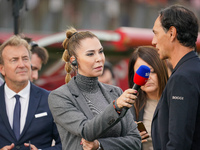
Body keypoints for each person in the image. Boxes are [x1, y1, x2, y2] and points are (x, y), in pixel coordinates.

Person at [48, 27, 142, 150]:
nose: (99, 58)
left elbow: (135, 141)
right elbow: (86, 131)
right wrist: (116, 107)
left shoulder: (116, 92)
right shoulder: (59, 96)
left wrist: (100, 145)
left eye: (101, 51)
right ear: (74, 60)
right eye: (90, 54)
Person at [151, 4, 200, 150]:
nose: (153, 41)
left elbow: (178, 143)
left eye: (156, 33)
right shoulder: (193, 70)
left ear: (172, 33)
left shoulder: (183, 78)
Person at [0, 35, 61, 150]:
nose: (22, 65)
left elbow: (67, 143)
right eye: (14, 60)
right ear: (2, 69)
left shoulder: (50, 100)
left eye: (25, 59)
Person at [128, 46, 169, 150]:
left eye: (151, 71)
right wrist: (129, 139)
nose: (147, 77)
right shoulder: (130, 106)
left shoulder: (175, 100)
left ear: (160, 69)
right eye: (140, 73)